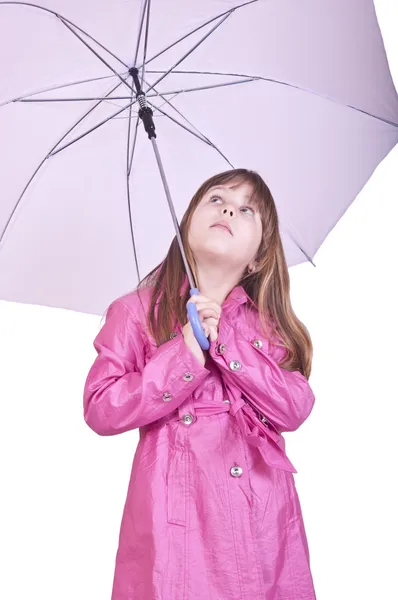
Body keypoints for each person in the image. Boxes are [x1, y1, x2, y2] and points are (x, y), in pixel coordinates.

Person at [83, 168, 317, 599]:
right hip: (175, 527)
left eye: (247, 209)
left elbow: (295, 406)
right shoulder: (135, 312)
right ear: (186, 221)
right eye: (216, 198)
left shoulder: (268, 324)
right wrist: (185, 354)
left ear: (258, 257)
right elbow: (101, 406)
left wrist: (227, 344)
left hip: (260, 527)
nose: (228, 207)